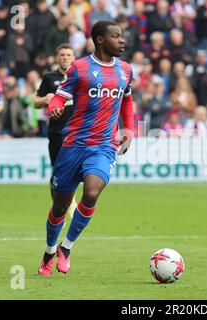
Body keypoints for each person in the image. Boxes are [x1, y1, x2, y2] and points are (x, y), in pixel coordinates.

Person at [37, 20, 134, 276]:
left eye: (122, 36)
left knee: (91, 194)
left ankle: (66, 248)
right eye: (116, 36)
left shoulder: (125, 70)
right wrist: (54, 106)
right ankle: (49, 251)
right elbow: (60, 95)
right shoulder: (79, 68)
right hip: (72, 146)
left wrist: (130, 129)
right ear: (100, 40)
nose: (122, 40)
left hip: (103, 146)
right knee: (59, 207)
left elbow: (127, 101)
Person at [34, 43, 77, 217]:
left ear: (73, 57)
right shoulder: (49, 78)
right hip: (57, 132)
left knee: (74, 170)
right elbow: (35, 102)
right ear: (57, 57)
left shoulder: (79, 77)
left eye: (68, 55)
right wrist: (44, 99)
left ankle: (70, 204)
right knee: (57, 171)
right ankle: (59, 207)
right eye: (62, 55)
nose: (65, 57)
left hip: (76, 131)